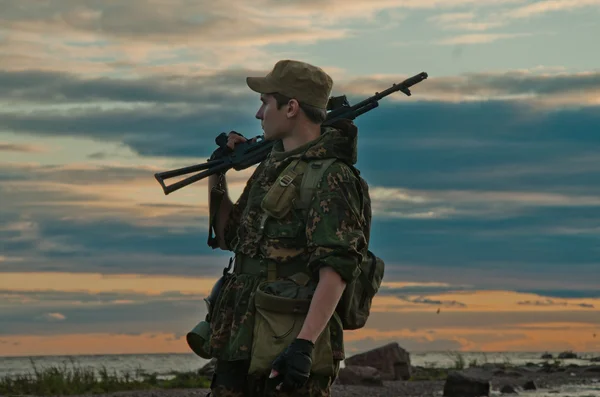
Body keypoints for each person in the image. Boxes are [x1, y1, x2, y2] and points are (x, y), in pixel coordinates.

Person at [205, 59, 371, 396]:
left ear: (291, 107)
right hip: (239, 336)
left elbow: (336, 269)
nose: (258, 114)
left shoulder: (331, 176)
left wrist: (304, 346)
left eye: (265, 102)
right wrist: (217, 170)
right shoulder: (271, 167)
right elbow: (230, 237)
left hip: (285, 338)